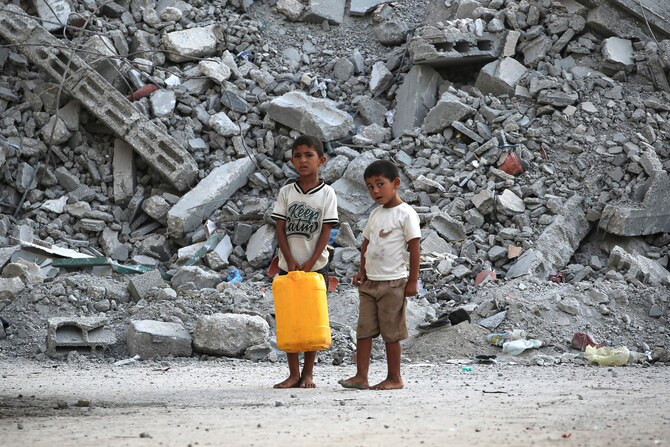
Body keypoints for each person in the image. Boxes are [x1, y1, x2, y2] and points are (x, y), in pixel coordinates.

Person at [339, 159, 421, 390]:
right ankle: (361, 376)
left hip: (393, 284)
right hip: (370, 283)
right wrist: (361, 271)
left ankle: (394, 377)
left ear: (395, 183)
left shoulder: (406, 214)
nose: (375, 191)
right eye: (370, 186)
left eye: (380, 184)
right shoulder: (375, 215)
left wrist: (412, 281)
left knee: (391, 333)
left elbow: (415, 248)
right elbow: (366, 245)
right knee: (363, 331)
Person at [270, 135, 339, 389]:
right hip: (288, 266)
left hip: (316, 266)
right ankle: (292, 373)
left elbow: (326, 230)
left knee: (311, 319)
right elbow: (280, 228)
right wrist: (288, 259)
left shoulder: (327, 194)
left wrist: (310, 262)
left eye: (309, 155)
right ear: (291, 160)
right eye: (297, 156)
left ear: (321, 160)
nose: (302, 160)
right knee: (291, 318)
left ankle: (308, 373)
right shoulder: (287, 192)